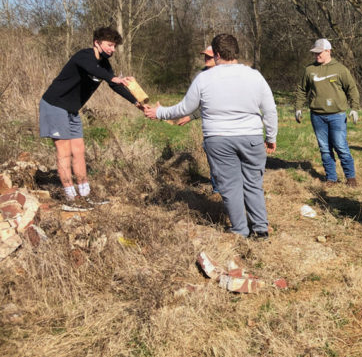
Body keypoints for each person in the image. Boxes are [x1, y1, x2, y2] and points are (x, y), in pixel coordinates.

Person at [144, 34, 278, 239]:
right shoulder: (254, 76)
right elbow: (269, 110)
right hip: (250, 137)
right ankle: (260, 229)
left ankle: (240, 231)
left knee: (230, 186)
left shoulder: (204, 78)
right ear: (236, 51)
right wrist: (271, 136)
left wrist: (159, 112)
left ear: (216, 54)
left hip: (218, 139)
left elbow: (185, 108)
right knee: (253, 183)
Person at [39, 26, 141, 201]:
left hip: (71, 110)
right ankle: (70, 196)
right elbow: (93, 70)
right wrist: (113, 77)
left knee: (79, 150)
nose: (112, 49)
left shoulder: (105, 64)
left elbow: (115, 85)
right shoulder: (83, 56)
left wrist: (137, 103)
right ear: (97, 43)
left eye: (115, 46)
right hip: (54, 105)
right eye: (109, 45)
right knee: (63, 151)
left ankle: (85, 193)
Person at [295, 38, 360, 186]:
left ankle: (350, 177)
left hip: (337, 115)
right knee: (324, 148)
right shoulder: (309, 70)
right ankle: (331, 178)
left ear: (328, 51)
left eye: (319, 53)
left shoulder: (340, 69)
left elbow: (352, 89)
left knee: (340, 146)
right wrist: (298, 107)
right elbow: (301, 90)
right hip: (317, 116)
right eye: (315, 53)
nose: (316, 55)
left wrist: (354, 108)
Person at [175, 46, 216, 126]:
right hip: (206, 121)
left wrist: (191, 116)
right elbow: (191, 100)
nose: (206, 58)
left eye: (209, 57)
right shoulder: (199, 75)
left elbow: (210, 102)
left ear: (217, 57)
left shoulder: (223, 76)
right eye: (205, 56)